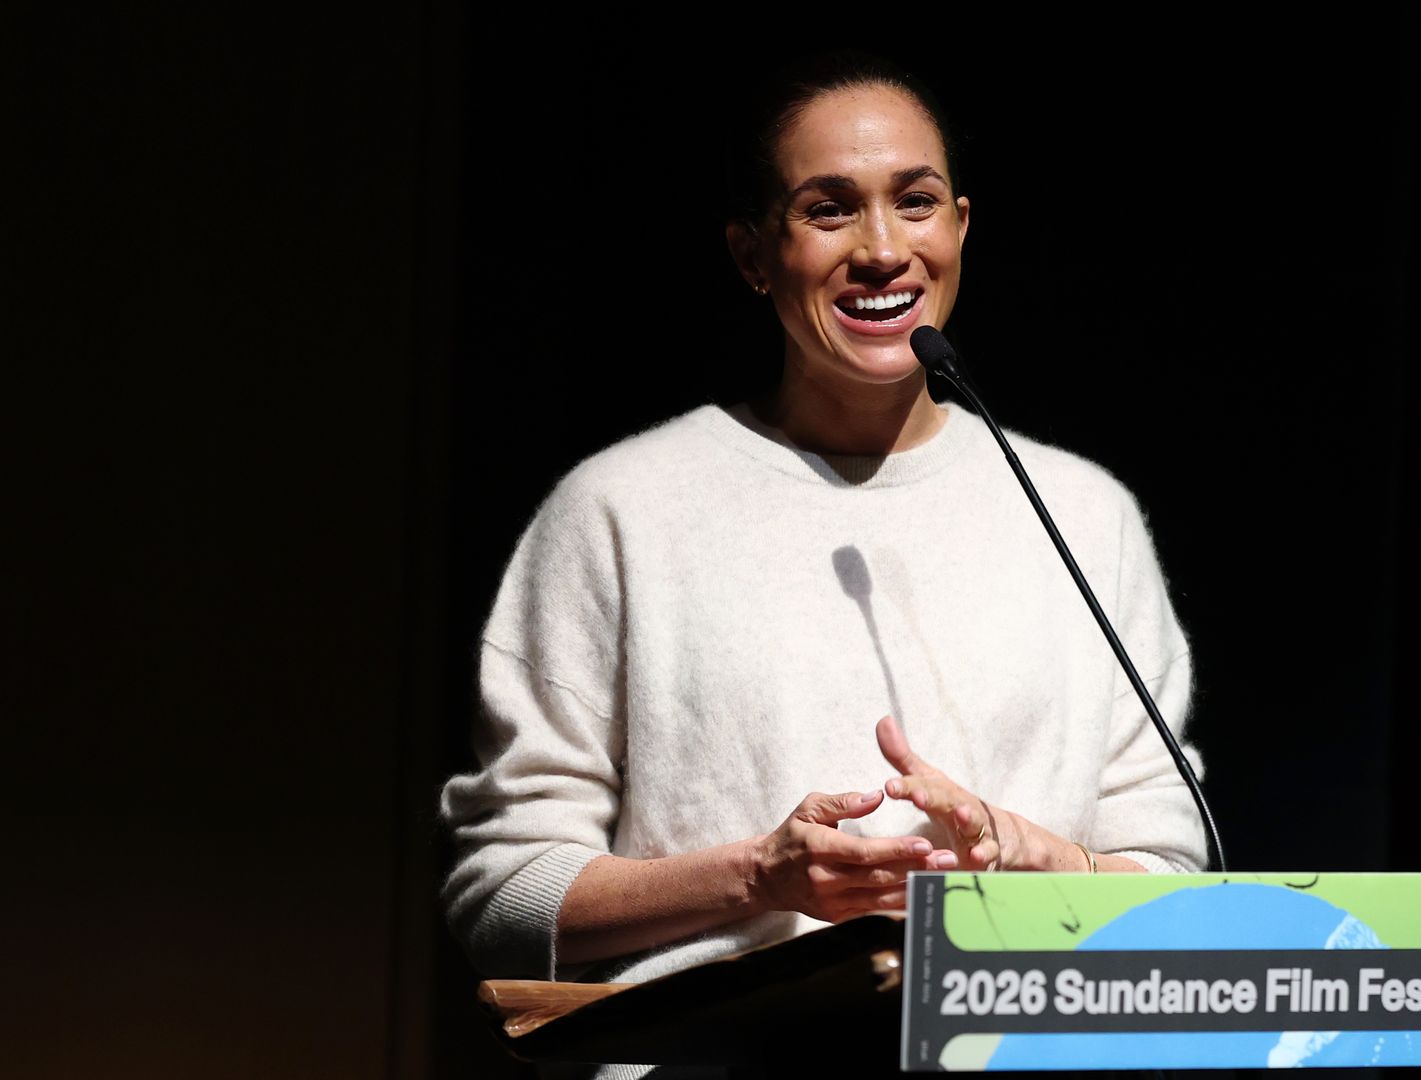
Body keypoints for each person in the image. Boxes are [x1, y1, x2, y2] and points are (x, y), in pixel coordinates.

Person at [439, 51, 1207, 1079]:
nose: (884, 249)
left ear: (962, 230)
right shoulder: (620, 510)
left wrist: (1037, 858)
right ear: (755, 254)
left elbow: (1176, 884)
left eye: (916, 201)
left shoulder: (1085, 514)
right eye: (829, 209)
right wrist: (761, 877)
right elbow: (504, 898)